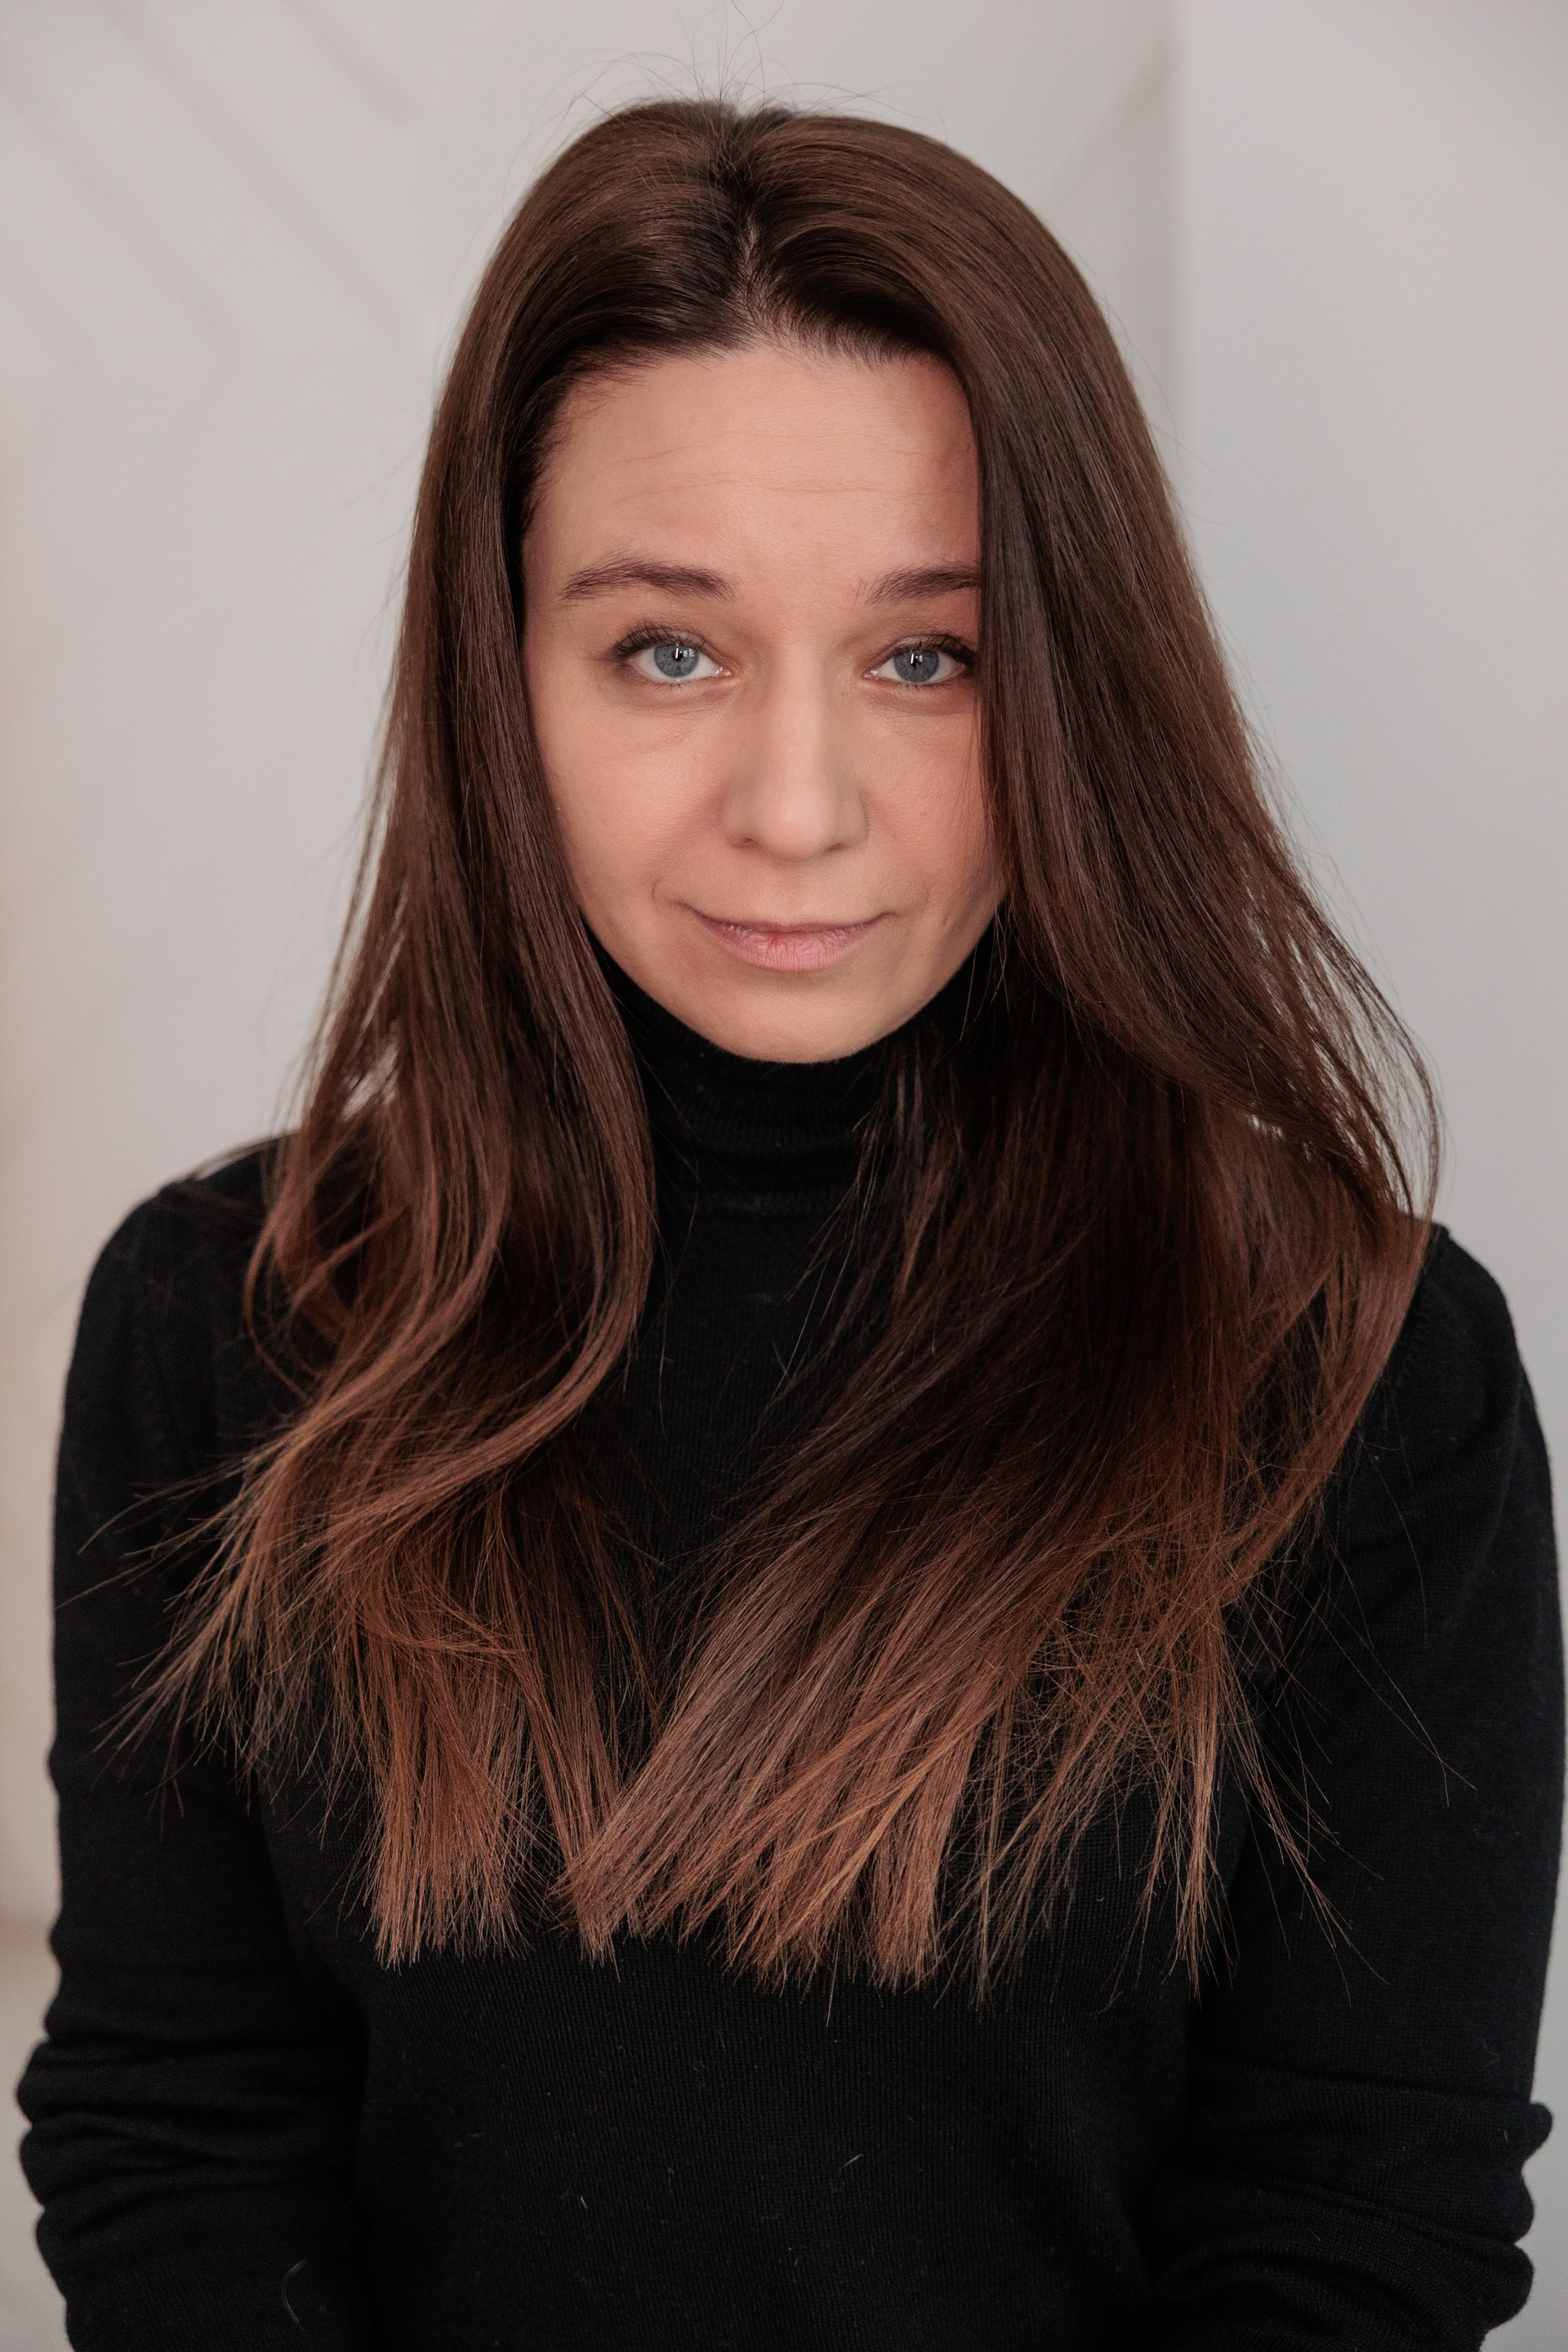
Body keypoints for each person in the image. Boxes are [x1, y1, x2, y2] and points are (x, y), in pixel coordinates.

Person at [17, 96, 1561, 2352]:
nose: (799, 808)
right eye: (671, 649)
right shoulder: (228, 1320)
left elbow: (1355, 2229)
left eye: (928, 659)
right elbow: (183, 2138)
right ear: (500, 673)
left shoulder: (1353, 1367)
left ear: (1071, 682)